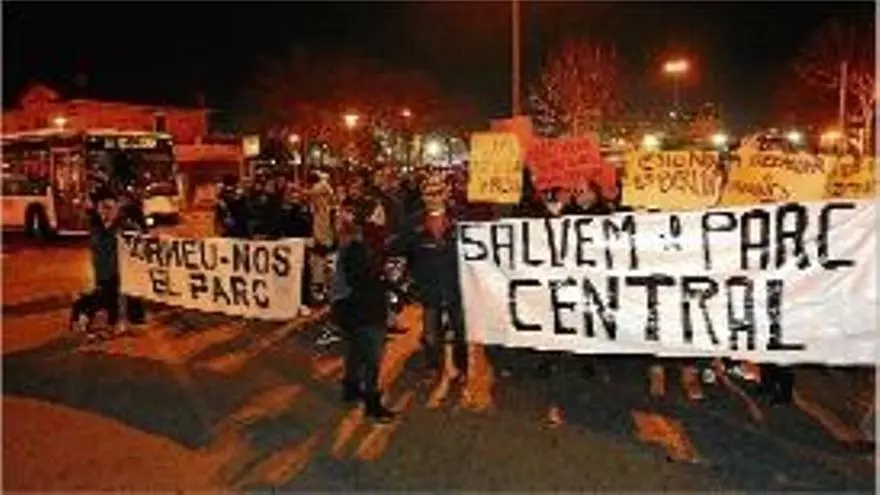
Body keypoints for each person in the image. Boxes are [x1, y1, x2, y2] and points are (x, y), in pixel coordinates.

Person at [334, 197, 396, 423]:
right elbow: (360, 278)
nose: (383, 216)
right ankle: (372, 402)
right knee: (373, 356)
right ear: (368, 217)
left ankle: (350, 387)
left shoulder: (365, 241)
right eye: (379, 213)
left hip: (353, 307)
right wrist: (384, 277)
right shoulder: (360, 245)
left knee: (356, 350)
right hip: (364, 307)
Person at [72, 187, 146, 339]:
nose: (105, 212)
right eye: (101, 208)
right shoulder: (95, 227)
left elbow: (142, 245)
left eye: (109, 208)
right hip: (102, 273)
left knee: (122, 300)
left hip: (121, 273)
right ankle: (108, 324)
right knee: (104, 300)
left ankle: (123, 324)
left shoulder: (127, 227)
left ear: (117, 207)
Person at [409, 207, 468, 383]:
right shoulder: (417, 230)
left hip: (454, 289)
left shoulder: (458, 228)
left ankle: (461, 367)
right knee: (430, 333)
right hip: (430, 290)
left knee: (460, 331)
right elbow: (409, 254)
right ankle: (433, 366)